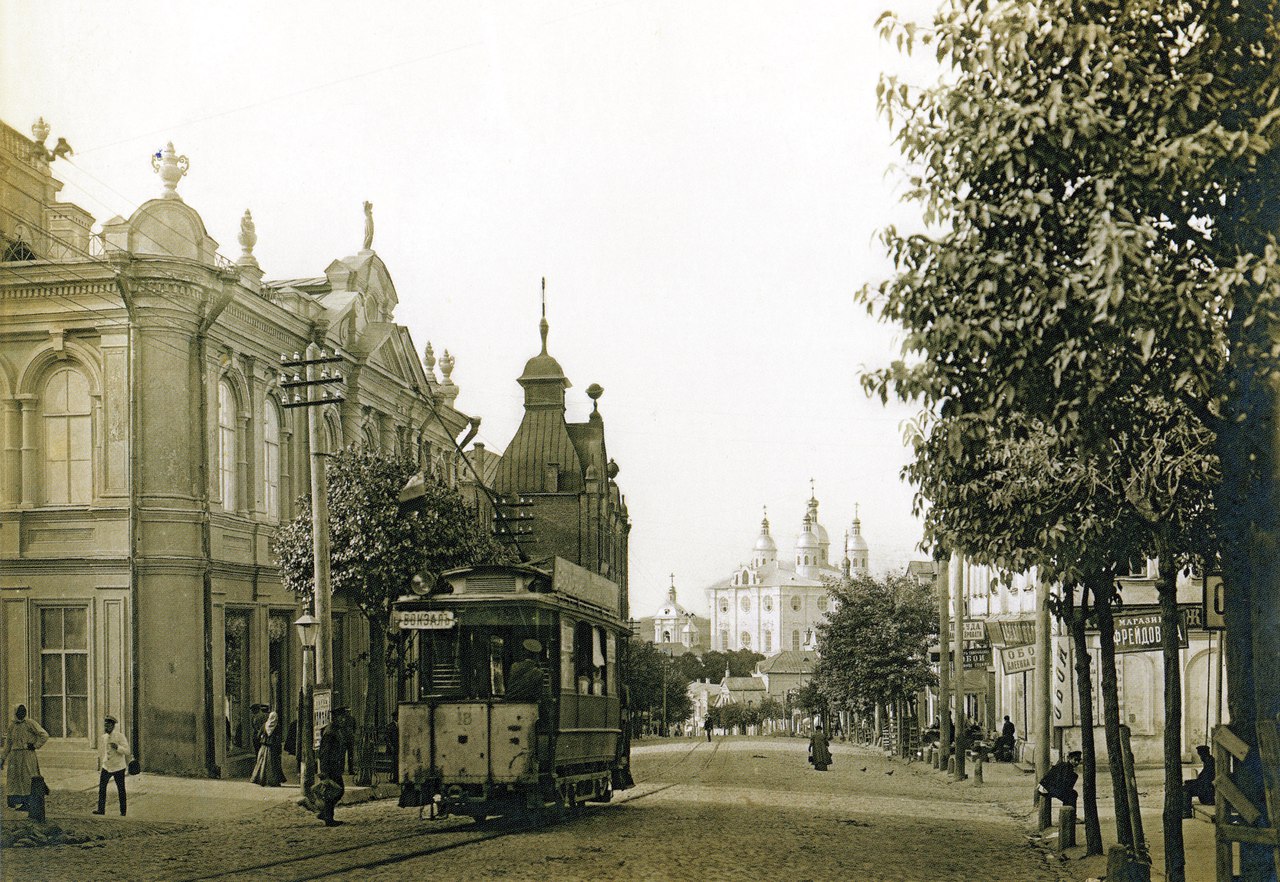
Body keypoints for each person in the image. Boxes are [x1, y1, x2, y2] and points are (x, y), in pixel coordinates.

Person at [1, 704, 49, 811]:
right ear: (16, 712)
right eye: (20, 711)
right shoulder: (12, 726)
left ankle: (29, 803)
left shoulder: (30, 723)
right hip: (14, 756)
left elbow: (44, 735)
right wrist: (2, 758)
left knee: (28, 778)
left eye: (24, 711)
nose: (22, 713)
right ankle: (18, 802)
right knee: (15, 779)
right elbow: (8, 744)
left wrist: (34, 745)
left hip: (27, 755)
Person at [94, 714, 131, 815]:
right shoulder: (104, 737)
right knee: (102, 788)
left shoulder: (119, 736)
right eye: (105, 725)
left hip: (118, 766)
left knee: (121, 789)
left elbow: (127, 751)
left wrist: (117, 747)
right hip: (106, 766)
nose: (106, 727)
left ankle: (123, 812)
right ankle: (101, 810)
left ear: (113, 726)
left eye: (108, 725)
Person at [316, 717, 347, 826]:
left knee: (335, 791)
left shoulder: (335, 730)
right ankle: (328, 817)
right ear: (336, 718)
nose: (343, 720)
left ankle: (325, 813)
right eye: (342, 718)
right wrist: (324, 771)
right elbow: (324, 753)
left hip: (335, 767)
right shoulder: (330, 733)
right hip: (331, 768)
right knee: (336, 791)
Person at [251, 711, 286, 787]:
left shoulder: (265, 725)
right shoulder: (277, 726)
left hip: (264, 747)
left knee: (262, 764)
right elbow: (279, 739)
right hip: (272, 748)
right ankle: (273, 781)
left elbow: (258, 735)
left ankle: (261, 780)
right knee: (273, 765)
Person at [1183, 745, 1216, 816]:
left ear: (1204, 754)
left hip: (1206, 791)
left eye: (1200, 755)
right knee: (1186, 786)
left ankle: (1186, 812)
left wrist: (1191, 782)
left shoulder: (1210, 762)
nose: (1200, 758)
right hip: (1205, 788)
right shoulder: (1209, 761)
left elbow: (1204, 780)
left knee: (1185, 789)